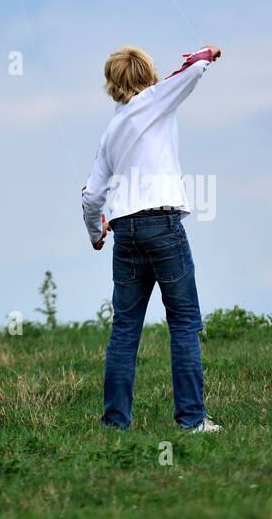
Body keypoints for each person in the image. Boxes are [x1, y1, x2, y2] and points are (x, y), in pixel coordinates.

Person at [81, 44, 222, 432]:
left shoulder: (111, 130)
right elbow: (192, 70)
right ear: (149, 76)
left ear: (112, 84)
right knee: (183, 321)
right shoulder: (158, 98)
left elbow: (91, 196)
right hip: (162, 226)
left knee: (125, 328)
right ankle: (192, 421)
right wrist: (209, 53)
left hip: (124, 231)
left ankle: (114, 424)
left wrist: (97, 234)